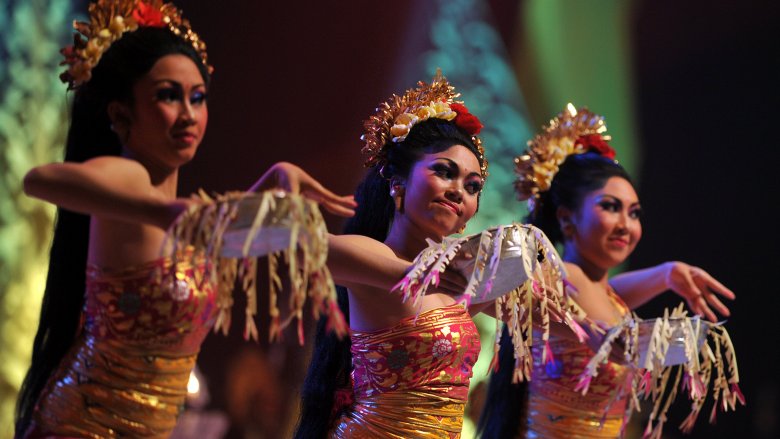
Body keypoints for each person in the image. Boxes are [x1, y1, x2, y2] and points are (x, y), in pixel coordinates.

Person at [15, 1, 355, 437]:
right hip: (86, 427)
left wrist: (274, 181)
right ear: (121, 114)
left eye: (198, 97)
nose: (189, 114)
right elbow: (39, 179)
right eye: (168, 95)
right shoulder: (128, 177)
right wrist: (158, 210)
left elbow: (225, 235)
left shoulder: (180, 215)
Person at [477, 104, 735, 438]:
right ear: (567, 219)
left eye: (635, 213)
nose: (626, 225)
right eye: (610, 207)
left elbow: (608, 295)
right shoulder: (560, 276)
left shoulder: (603, 296)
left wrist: (667, 274)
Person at [294, 72, 492, 438]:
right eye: (443, 172)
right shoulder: (370, 255)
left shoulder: (459, 280)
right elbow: (299, 247)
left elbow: (553, 318)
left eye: (472, 185)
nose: (458, 191)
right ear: (396, 180)